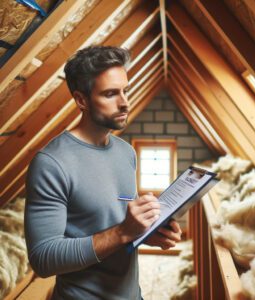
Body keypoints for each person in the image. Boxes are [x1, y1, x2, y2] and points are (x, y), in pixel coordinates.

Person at [25, 46, 182, 300]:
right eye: (110, 94)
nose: (124, 102)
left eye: (125, 91)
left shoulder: (125, 152)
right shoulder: (51, 163)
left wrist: (148, 233)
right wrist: (123, 232)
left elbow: (113, 226)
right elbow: (43, 259)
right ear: (81, 100)